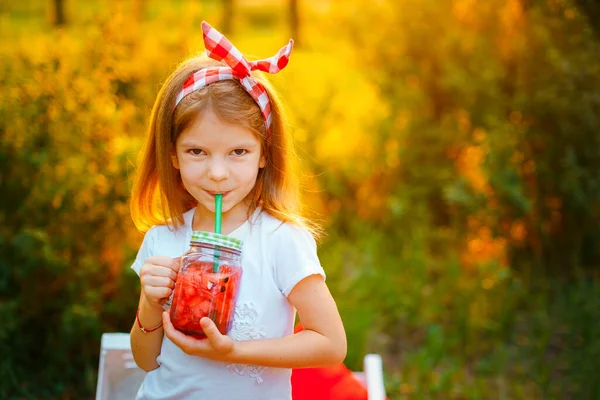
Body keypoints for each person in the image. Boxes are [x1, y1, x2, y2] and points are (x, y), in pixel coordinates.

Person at [128, 21, 347, 400]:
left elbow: (331, 343)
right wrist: (149, 303)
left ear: (264, 154)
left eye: (238, 152)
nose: (216, 173)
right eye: (196, 152)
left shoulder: (281, 240)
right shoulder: (161, 240)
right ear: (173, 156)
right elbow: (147, 361)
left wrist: (234, 351)